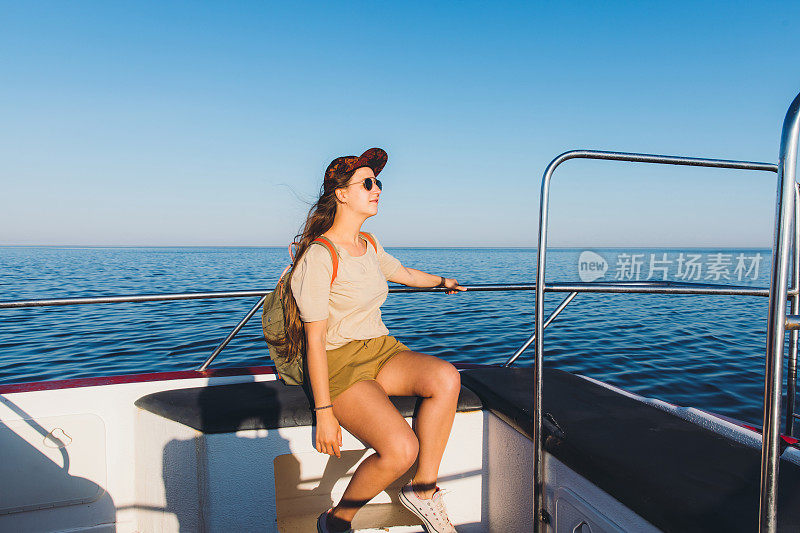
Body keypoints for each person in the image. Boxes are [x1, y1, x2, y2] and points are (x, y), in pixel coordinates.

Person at [278, 148, 465, 533]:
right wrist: (324, 413)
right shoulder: (320, 256)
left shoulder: (369, 243)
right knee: (400, 449)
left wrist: (443, 282)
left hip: (380, 349)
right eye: (367, 182)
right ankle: (338, 519)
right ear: (341, 194)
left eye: (378, 182)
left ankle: (424, 492)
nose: (376, 188)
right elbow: (315, 341)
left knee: (446, 376)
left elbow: (403, 273)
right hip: (338, 363)